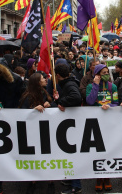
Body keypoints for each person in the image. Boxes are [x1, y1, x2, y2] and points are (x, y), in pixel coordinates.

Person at [86, 64, 118, 191]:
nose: (106, 74)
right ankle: (99, 177)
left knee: (109, 150)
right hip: (95, 123)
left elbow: (116, 102)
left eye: (107, 72)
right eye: (103, 72)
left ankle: (107, 177)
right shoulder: (90, 86)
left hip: (109, 122)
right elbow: (89, 101)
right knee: (98, 151)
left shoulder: (113, 86)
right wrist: (95, 85)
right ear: (97, 74)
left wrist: (109, 106)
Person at [54, 64, 82, 194]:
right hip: (71, 123)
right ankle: (72, 180)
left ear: (58, 75)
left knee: (73, 154)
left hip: (73, 123)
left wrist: (62, 101)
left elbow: (76, 97)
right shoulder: (68, 83)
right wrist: (60, 100)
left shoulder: (69, 85)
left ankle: (76, 186)